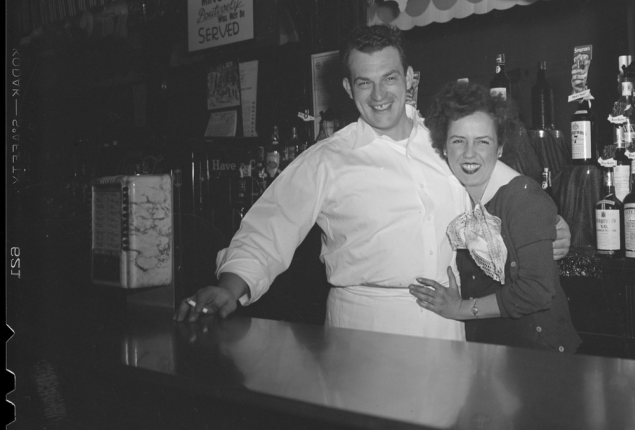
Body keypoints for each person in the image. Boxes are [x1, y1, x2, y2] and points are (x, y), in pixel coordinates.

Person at [175, 25, 572, 342]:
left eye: (390, 78)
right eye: (364, 82)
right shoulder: (328, 159)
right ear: (348, 88)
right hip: (363, 327)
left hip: (444, 322)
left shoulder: (447, 142)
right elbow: (269, 228)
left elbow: (507, 196)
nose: (379, 95)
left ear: (409, 79)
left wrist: (551, 228)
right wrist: (230, 287)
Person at [409, 81, 581, 353]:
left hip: (536, 352)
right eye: (458, 141)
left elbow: (537, 291)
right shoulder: (457, 196)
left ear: (500, 147)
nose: (469, 153)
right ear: (444, 147)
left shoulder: (521, 196)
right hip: (488, 350)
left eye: (482, 141)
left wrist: (460, 309)